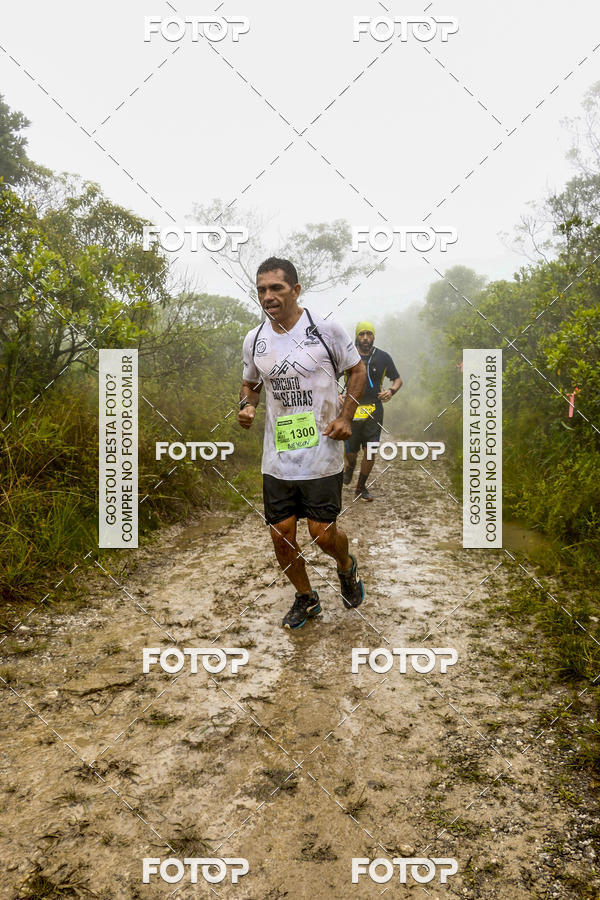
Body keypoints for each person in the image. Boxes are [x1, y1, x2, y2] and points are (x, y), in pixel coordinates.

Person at [238, 257, 367, 630]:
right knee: (281, 535)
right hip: (277, 458)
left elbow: (357, 370)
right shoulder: (256, 339)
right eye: (262, 289)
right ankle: (306, 598)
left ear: (295, 290)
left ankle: (345, 565)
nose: (268, 296)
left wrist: (345, 417)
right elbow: (251, 384)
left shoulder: (326, 331)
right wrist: (247, 407)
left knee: (322, 534)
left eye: (276, 288)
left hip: (322, 454)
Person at [343, 321, 402, 501]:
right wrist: (337, 395)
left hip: (374, 409)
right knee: (351, 453)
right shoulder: (347, 356)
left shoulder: (383, 357)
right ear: (357, 336)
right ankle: (350, 467)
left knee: (371, 450)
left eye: (369, 334)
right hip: (352, 409)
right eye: (362, 334)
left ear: (374, 336)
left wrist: (391, 390)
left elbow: (398, 379)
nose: (366, 338)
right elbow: (330, 377)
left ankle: (361, 487)